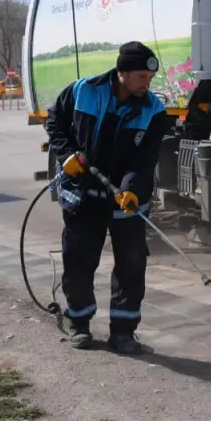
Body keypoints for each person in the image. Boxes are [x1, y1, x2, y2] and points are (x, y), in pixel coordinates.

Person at [44, 41, 170, 353]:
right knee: (79, 260)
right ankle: (79, 323)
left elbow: (145, 158)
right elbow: (55, 122)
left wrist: (131, 188)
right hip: (82, 194)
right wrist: (66, 154)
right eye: (142, 77)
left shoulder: (153, 110)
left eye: (150, 78)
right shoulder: (83, 91)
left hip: (125, 199)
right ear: (122, 72)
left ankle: (123, 333)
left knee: (131, 263)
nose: (147, 84)